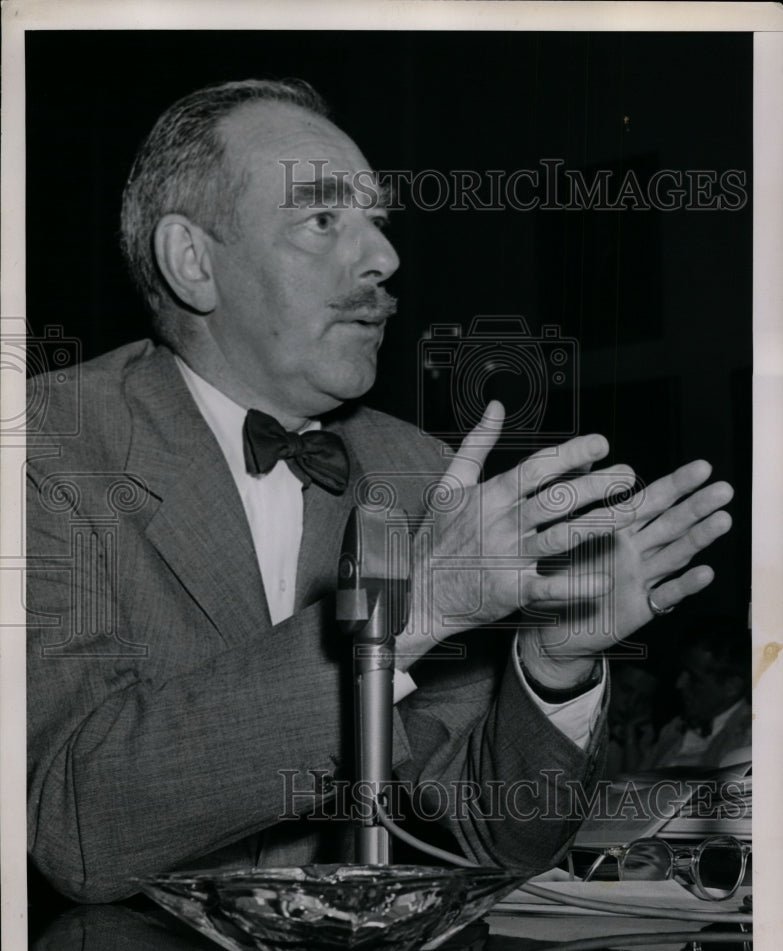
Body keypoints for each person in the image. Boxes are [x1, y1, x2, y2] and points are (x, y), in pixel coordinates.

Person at [26, 79, 734, 904]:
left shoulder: (421, 473)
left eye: (378, 222)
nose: (385, 260)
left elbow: (491, 838)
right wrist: (410, 612)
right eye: (323, 219)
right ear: (193, 263)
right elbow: (72, 827)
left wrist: (554, 664)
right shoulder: (45, 447)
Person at [637, 616, 751, 770]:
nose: (679, 684)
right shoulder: (673, 728)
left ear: (732, 686)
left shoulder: (752, 739)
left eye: (694, 678)